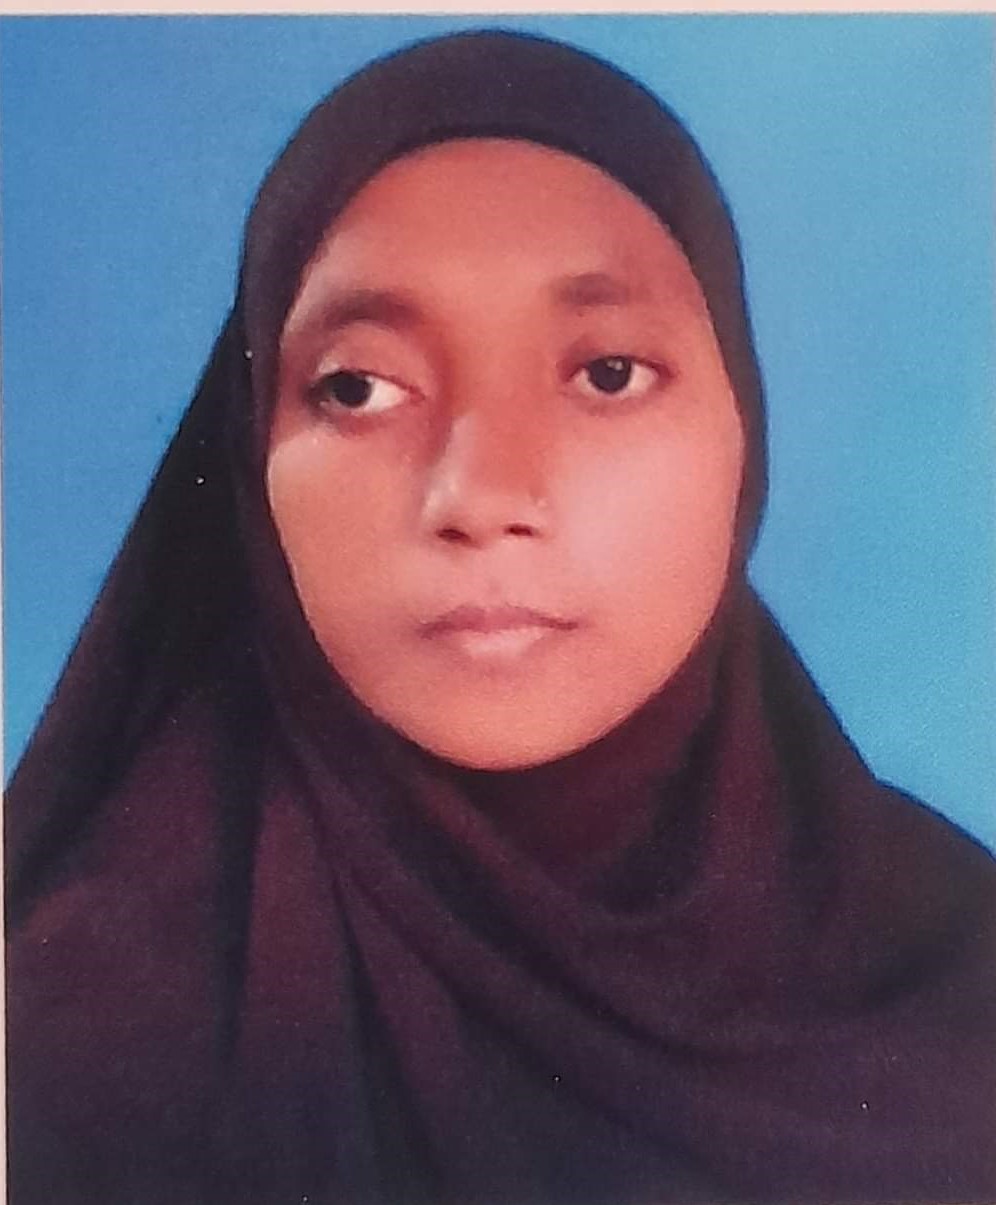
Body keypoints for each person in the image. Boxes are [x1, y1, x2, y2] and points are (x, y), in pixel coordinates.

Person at [6, 28, 995, 1205]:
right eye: (358, 387)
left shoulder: (959, 964)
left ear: (744, 434)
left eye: (608, 373)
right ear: (252, 457)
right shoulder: (72, 1041)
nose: (478, 495)